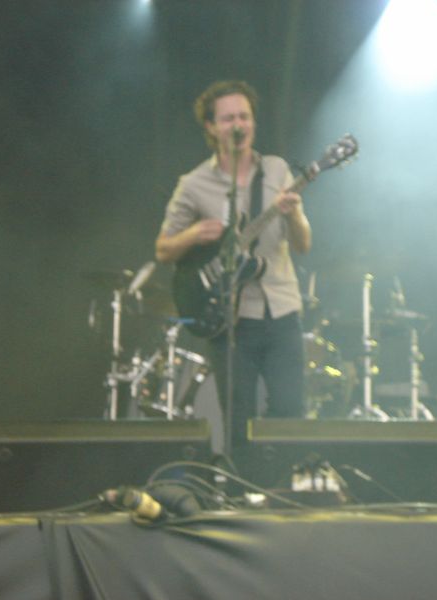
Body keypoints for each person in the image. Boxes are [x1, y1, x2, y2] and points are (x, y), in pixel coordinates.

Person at [155, 80, 311, 451]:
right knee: (238, 422)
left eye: (244, 116)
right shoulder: (194, 184)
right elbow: (163, 249)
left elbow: (303, 244)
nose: (238, 125)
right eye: (228, 119)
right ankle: (243, 483)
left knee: (291, 414)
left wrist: (291, 215)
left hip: (281, 309)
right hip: (229, 319)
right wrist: (194, 234)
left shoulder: (276, 170)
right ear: (211, 127)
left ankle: (280, 480)